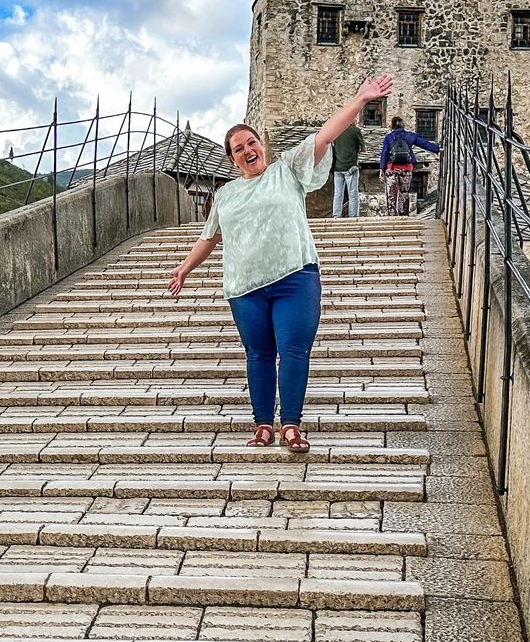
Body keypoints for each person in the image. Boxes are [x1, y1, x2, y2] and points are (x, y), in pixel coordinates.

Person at [167, 75, 394, 453]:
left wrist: (359, 101)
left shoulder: (286, 170)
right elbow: (209, 236)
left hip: (295, 278)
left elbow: (324, 136)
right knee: (257, 354)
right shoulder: (225, 194)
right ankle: (262, 426)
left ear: (262, 146)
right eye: (238, 148)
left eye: (251, 142)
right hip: (245, 288)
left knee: (293, 351)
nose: (247, 150)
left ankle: (290, 424)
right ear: (232, 158)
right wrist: (184, 268)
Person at [378, 116, 440, 217]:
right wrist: (437, 149)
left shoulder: (389, 137)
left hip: (392, 169)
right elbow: (423, 143)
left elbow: (384, 153)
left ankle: (392, 217)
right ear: (403, 125)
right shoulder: (410, 136)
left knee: (391, 196)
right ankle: (403, 217)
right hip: (406, 169)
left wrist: (382, 169)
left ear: (392, 125)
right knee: (404, 193)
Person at [329, 118, 364, 217]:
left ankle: (336, 216)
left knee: (338, 194)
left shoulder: (336, 130)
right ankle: (353, 217)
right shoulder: (355, 130)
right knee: (353, 194)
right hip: (351, 166)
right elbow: (363, 148)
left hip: (337, 167)